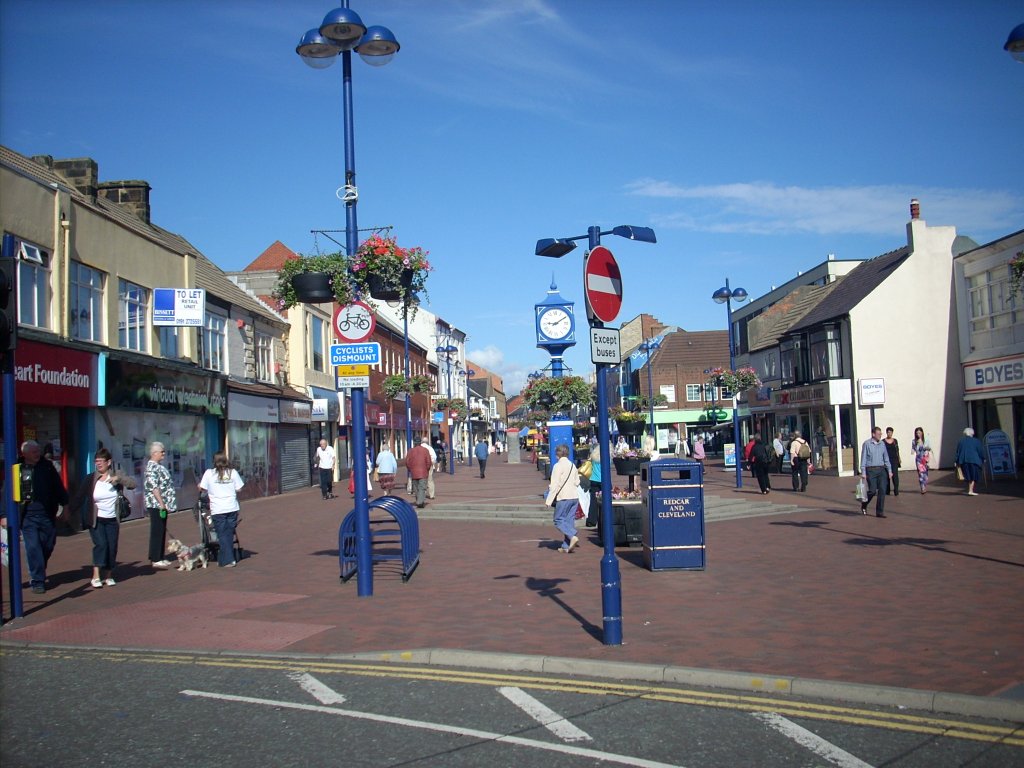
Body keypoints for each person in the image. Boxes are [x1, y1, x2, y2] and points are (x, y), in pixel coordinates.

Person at [17, 440, 69, 594]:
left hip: (47, 514)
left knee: (48, 545)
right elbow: (8, 491)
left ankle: (39, 566)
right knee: (33, 547)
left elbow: (58, 487)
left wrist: (65, 506)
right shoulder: (17, 469)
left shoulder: (47, 466)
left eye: (38, 451)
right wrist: (4, 514)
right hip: (28, 516)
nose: (37, 454)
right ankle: (37, 580)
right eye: (34, 452)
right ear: (24, 453)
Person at [80, 447, 135, 588]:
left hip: (112, 519)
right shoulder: (91, 478)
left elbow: (132, 484)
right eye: (96, 461)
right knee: (101, 545)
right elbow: (79, 496)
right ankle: (96, 576)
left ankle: (109, 575)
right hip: (96, 519)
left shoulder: (116, 475)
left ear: (109, 462)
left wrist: (119, 479)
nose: (98, 464)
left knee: (111, 547)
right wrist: (67, 511)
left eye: (101, 461)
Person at [198, 452, 244, 568]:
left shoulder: (209, 473)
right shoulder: (232, 473)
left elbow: (202, 488)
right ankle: (224, 559)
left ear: (214, 461)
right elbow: (239, 489)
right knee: (228, 533)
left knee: (223, 534)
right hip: (231, 507)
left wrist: (200, 486)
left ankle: (228, 560)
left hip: (218, 508)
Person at [144, 442, 177, 568]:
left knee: (162, 529)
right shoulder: (151, 467)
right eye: (161, 452)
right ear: (154, 453)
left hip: (163, 504)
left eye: (164, 451)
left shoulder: (159, 466)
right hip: (156, 504)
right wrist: (161, 503)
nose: (164, 454)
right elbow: (154, 487)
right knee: (157, 530)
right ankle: (155, 557)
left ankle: (160, 555)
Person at [546, 444, 581, 553]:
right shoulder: (572, 465)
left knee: (558, 520)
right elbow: (577, 482)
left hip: (563, 497)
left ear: (558, 454)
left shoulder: (558, 466)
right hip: (574, 496)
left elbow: (554, 485)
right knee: (569, 520)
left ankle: (572, 535)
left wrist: (548, 500)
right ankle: (566, 545)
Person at [860, 426, 893, 517]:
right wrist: (863, 472)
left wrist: (889, 470)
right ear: (873, 434)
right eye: (878, 434)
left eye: (880, 434)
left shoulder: (882, 444)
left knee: (882, 490)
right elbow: (863, 458)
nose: (880, 436)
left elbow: (886, 458)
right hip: (871, 470)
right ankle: (864, 504)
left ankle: (879, 512)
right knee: (872, 491)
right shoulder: (867, 444)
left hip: (881, 469)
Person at [954, 427, 986, 496]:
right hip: (974, 460)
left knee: (968, 475)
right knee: (973, 475)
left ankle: (970, 490)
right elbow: (980, 451)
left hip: (964, 460)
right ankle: (970, 490)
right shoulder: (976, 441)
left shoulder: (961, 441)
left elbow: (958, 452)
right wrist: (983, 458)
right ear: (972, 433)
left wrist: (956, 461)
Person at [406, 439, 433, 508]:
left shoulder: (410, 451)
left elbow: (407, 462)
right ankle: (420, 501)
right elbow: (429, 461)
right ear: (420, 443)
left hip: (414, 473)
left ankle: (419, 501)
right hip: (423, 472)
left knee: (416, 488)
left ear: (414, 443)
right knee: (422, 487)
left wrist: (410, 469)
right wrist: (427, 469)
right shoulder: (425, 450)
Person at [911, 427, 932, 494]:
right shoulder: (914, 441)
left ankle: (924, 485)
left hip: (925, 459)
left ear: (922, 433)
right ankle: (922, 488)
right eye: (917, 433)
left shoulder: (926, 440)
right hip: (919, 460)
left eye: (919, 433)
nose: (918, 434)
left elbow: (929, 448)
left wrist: (925, 447)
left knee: (925, 475)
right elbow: (914, 449)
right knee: (921, 474)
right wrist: (913, 450)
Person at [883, 427, 902, 496]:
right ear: (886, 433)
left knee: (895, 476)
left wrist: (899, 458)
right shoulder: (883, 441)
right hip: (887, 460)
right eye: (888, 432)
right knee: (887, 476)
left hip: (894, 460)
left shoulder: (895, 441)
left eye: (891, 432)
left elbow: (897, 450)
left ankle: (896, 490)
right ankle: (887, 490)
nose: (889, 433)